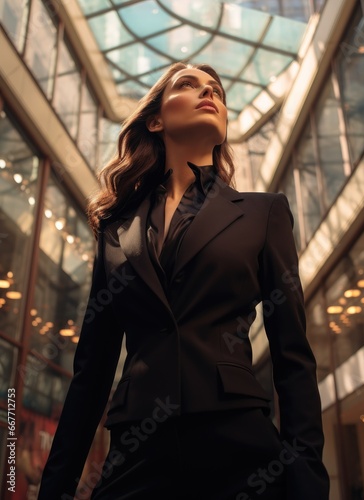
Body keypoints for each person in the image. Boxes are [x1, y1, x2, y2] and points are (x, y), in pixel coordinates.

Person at [38, 62, 329, 500]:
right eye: (188, 85)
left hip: (238, 442)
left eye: (216, 88)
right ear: (155, 120)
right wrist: (54, 488)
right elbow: (91, 372)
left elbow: (293, 356)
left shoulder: (263, 213)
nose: (207, 92)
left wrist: (305, 475)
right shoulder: (117, 228)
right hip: (137, 446)